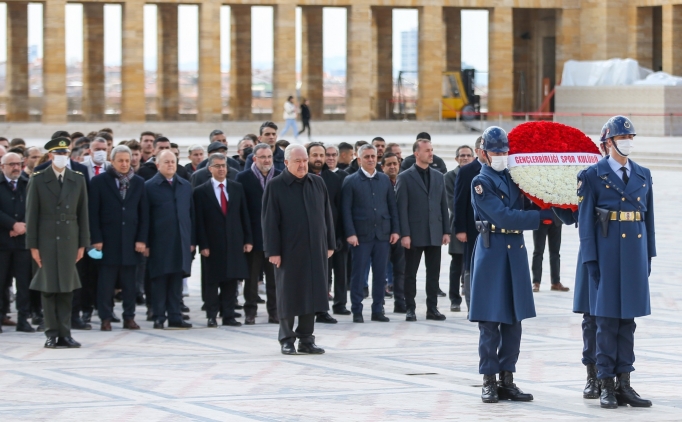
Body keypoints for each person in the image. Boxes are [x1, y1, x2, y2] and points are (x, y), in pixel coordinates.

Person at [469, 126, 557, 403]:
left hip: (515, 251)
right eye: (496, 151)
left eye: (505, 151)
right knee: (490, 320)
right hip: (492, 249)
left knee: (514, 320)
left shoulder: (514, 177)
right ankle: (489, 379)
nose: (501, 156)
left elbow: (529, 204)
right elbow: (504, 217)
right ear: (483, 152)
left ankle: (508, 378)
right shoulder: (480, 182)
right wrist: (542, 218)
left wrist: (557, 205)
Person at [578, 116, 655, 409]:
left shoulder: (643, 174)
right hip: (606, 253)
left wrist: (648, 254)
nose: (628, 141)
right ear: (608, 142)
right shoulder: (592, 175)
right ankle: (606, 383)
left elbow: (649, 219)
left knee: (628, 322)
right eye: (622, 137)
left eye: (630, 136)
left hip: (633, 253)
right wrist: (591, 260)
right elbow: (586, 223)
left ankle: (625, 383)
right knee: (606, 322)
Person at [262, 145, 334, 355]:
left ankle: (306, 339)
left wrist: (329, 243)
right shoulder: (275, 186)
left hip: (315, 249)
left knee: (311, 295)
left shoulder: (317, 182)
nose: (303, 165)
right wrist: (272, 251)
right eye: (297, 161)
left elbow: (326, 215)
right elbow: (269, 222)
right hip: (288, 251)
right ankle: (286, 338)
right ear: (286, 163)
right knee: (289, 294)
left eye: (304, 160)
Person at [26, 137, 90, 349]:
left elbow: (83, 214)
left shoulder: (77, 178)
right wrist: (33, 245)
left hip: (70, 239)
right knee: (48, 288)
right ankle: (51, 333)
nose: (62, 157)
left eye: (65, 154)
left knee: (67, 288)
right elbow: (32, 214)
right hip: (46, 239)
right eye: (58, 154)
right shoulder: (38, 178)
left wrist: (83, 244)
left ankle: (65, 333)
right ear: (51, 155)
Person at [88, 145, 148, 331]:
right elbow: (93, 213)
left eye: (127, 161)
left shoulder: (138, 182)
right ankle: (105, 317)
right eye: (120, 160)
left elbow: (144, 214)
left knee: (130, 285)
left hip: (131, 243)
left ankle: (129, 317)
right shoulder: (99, 181)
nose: (124, 164)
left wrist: (142, 239)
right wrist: (96, 239)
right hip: (108, 242)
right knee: (106, 284)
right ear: (112, 161)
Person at [341, 144, 400, 323]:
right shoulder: (350, 181)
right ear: (359, 160)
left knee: (380, 275)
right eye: (366, 157)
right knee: (359, 275)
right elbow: (346, 210)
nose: (371, 159)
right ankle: (357, 310)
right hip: (361, 236)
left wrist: (395, 229)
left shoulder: (383, 180)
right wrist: (350, 233)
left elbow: (392, 207)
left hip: (382, 234)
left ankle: (378, 310)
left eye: (373, 156)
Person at [194, 153, 253, 328]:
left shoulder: (236, 188)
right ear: (210, 169)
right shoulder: (201, 191)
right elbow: (199, 221)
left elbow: (244, 216)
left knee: (231, 280)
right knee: (212, 281)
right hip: (212, 244)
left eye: (224, 166)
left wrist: (248, 239)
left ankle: (229, 315)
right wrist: (202, 244)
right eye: (218, 166)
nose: (221, 169)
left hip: (234, 241)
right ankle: (212, 315)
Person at [396, 137, 450, 322]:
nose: (431, 153)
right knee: (410, 273)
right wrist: (405, 234)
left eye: (432, 150)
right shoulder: (404, 177)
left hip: (434, 232)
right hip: (414, 233)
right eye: (427, 150)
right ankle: (410, 308)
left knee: (433, 273)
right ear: (416, 153)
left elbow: (443, 204)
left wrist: (446, 231)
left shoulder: (438, 176)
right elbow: (401, 208)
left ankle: (432, 308)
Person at [145, 150, 194, 329]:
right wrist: (146, 242)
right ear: (158, 165)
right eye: (166, 162)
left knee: (176, 280)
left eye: (173, 161)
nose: (170, 165)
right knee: (159, 280)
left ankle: (175, 316)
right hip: (159, 241)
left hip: (180, 240)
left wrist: (192, 240)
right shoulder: (149, 186)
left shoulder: (185, 185)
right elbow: (145, 217)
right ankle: (158, 316)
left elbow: (191, 214)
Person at [236, 144, 281, 324]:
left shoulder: (280, 176)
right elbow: (241, 210)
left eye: (269, 156)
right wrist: (246, 238)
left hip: (275, 238)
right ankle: (250, 311)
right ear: (254, 159)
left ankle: (274, 312)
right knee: (251, 278)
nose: (267, 160)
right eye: (262, 157)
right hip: (253, 238)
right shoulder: (243, 178)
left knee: (274, 279)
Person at [307, 143, 346, 323]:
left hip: (331, 234)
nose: (319, 159)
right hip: (306, 236)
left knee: (332, 273)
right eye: (315, 155)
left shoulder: (335, 178)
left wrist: (338, 235)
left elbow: (340, 209)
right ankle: (309, 308)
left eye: (321, 155)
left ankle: (328, 308)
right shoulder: (301, 177)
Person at [0, 153, 34, 332]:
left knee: (23, 282)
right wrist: (12, 224)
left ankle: (23, 319)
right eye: (11, 164)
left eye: (18, 164)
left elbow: (34, 208)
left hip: (22, 243)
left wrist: (24, 226)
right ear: (2, 166)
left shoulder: (27, 184)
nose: (15, 167)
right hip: (2, 243)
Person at [454, 137, 486, 311]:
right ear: (478, 151)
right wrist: (460, 229)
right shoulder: (467, 171)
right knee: (470, 265)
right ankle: (471, 305)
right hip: (471, 227)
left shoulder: (499, 170)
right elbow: (459, 201)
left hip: (492, 227)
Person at [444, 145, 474, 312]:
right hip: (458, 225)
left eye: (468, 155)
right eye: (462, 155)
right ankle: (454, 299)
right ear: (456, 159)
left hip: (475, 226)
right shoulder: (449, 177)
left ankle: (472, 296)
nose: (465, 158)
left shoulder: (477, 173)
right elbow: (452, 202)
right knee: (457, 264)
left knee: (472, 265)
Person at [382, 152, 406, 313]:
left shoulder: (404, 181)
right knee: (380, 271)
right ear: (382, 167)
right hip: (382, 234)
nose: (392, 167)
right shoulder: (380, 183)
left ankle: (400, 302)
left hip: (401, 234)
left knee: (401, 271)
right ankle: (379, 305)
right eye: (388, 164)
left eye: (395, 164)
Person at [531, 205, 569, 292]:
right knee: (538, 252)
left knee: (555, 253)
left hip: (556, 220)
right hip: (539, 219)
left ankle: (555, 282)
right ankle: (536, 282)